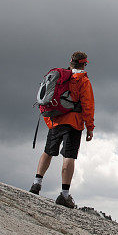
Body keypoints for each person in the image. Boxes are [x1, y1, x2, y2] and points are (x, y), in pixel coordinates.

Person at [29, 51, 94, 209]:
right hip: (73, 123)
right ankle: (64, 195)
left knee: (48, 152)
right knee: (69, 156)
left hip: (56, 120)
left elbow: (47, 99)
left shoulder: (60, 76)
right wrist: (90, 127)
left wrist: (50, 121)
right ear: (84, 64)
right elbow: (88, 105)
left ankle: (36, 184)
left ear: (71, 62)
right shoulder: (83, 81)